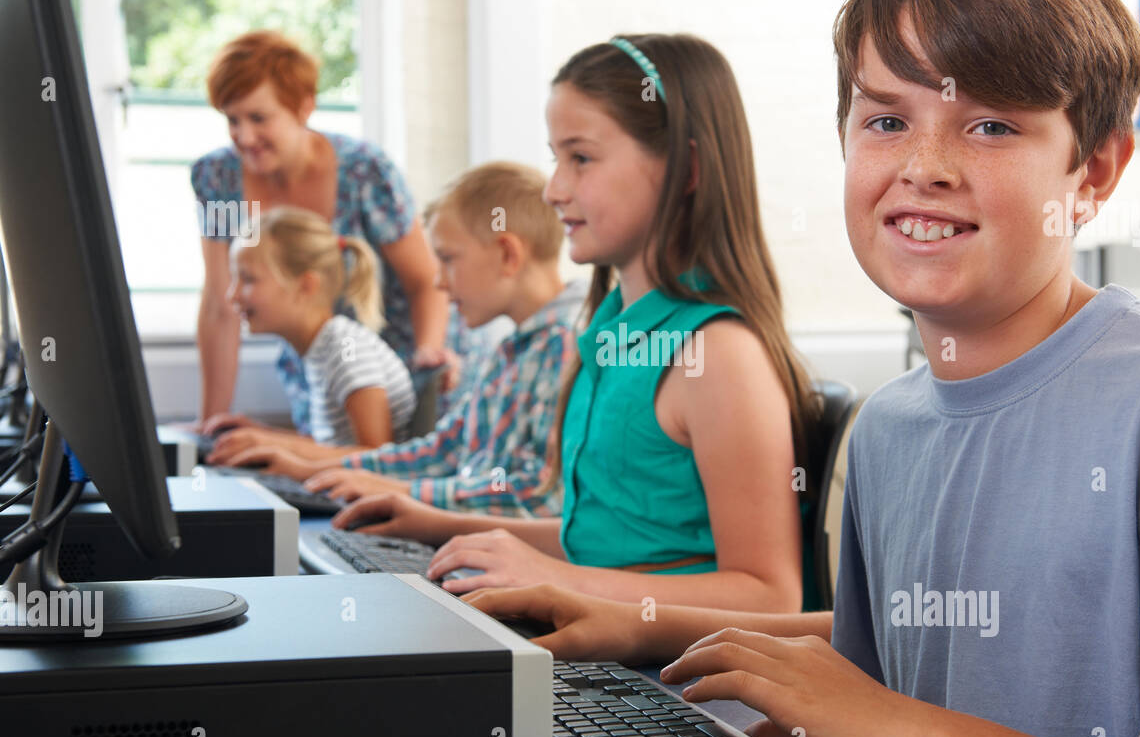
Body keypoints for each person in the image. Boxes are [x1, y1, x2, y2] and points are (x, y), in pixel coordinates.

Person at [462, 0, 1140, 737]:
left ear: (1096, 169)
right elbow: (920, 643)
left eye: (991, 126)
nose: (923, 166)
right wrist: (642, 623)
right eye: (887, 121)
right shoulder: (892, 425)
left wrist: (910, 734)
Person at [331, 34, 820, 614]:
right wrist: (436, 525)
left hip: (678, 687)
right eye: (554, 158)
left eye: (580, 158)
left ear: (686, 168)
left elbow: (772, 597)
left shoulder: (716, 353)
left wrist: (554, 579)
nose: (554, 189)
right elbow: (597, 545)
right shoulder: (612, 331)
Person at [212, 161, 585, 518]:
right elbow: (438, 453)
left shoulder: (566, 347)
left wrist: (403, 493)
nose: (438, 281)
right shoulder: (509, 353)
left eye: (448, 259)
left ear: (507, 254)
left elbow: (540, 493)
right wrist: (314, 465)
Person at [191, 30, 448, 435]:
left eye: (259, 118)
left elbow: (424, 281)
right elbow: (219, 306)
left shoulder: (364, 170)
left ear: (303, 107)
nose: (244, 136)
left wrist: (430, 354)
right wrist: (210, 426)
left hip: (395, 357)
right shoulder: (219, 178)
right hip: (315, 361)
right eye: (232, 119)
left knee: (367, 466)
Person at [222, 206, 415, 452]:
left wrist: (273, 444)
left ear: (306, 286)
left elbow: (376, 454)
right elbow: (333, 446)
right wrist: (262, 435)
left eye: (248, 279)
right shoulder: (320, 349)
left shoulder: (347, 349)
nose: (232, 295)